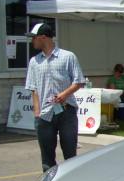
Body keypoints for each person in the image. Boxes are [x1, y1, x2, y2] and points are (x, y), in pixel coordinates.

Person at [25, 23, 85, 172]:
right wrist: (37, 113)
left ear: (43, 37)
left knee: (70, 154)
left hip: (66, 112)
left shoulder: (68, 56)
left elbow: (79, 81)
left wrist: (64, 94)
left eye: (33, 38)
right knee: (47, 158)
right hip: (44, 115)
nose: (32, 41)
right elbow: (33, 89)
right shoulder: (34, 61)